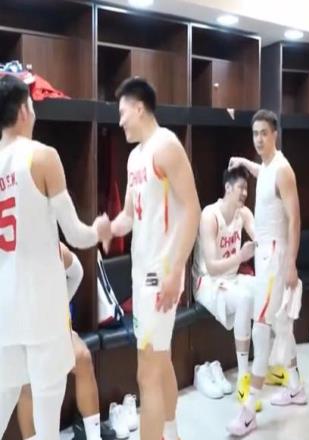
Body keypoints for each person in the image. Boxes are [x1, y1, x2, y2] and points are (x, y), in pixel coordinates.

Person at [0, 75, 108, 439]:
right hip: (41, 309)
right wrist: (101, 229)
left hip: (4, 310)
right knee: (47, 416)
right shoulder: (43, 156)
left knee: (4, 400)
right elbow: (76, 234)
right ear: (23, 110)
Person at [107, 77, 200, 440]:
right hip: (141, 272)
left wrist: (176, 270)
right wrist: (106, 228)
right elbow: (129, 216)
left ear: (139, 107)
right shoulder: (135, 157)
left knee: (146, 372)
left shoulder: (167, 146)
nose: (119, 121)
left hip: (160, 275)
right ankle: (171, 432)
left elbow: (192, 209)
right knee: (159, 359)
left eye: (122, 112)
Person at [226, 109, 304, 437]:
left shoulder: (283, 170)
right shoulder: (268, 167)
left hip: (275, 257)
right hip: (264, 256)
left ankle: (248, 411)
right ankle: (296, 387)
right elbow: (263, 171)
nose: (259, 139)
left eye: (264, 133)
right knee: (282, 325)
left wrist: (291, 263)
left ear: (275, 134)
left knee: (261, 329)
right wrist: (245, 163)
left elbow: (295, 219)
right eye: (255, 133)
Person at [16, 243, 116, 440]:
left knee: (83, 358)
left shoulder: (54, 248)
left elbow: (77, 273)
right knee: (27, 380)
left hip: (51, 331)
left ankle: (93, 435)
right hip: (18, 335)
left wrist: (60, 317)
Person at [192, 166, 257, 396]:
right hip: (207, 282)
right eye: (241, 187)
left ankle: (269, 363)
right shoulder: (210, 215)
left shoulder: (244, 214)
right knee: (244, 298)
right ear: (228, 187)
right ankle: (243, 379)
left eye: (247, 188)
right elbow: (211, 266)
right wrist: (240, 257)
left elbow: (259, 237)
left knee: (266, 291)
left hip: (231, 278)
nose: (244, 193)